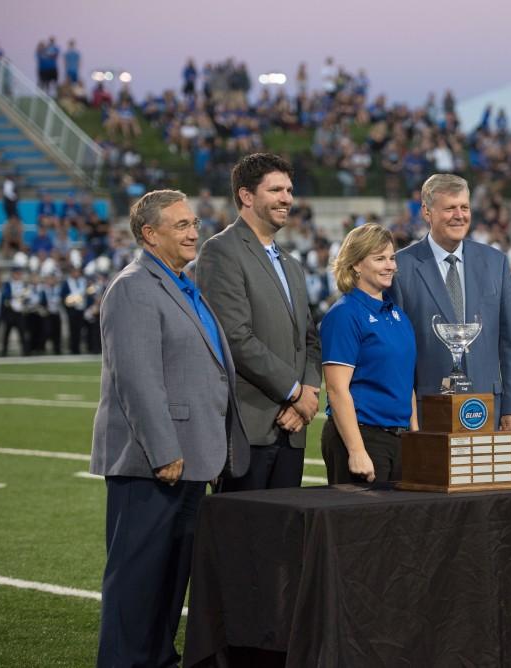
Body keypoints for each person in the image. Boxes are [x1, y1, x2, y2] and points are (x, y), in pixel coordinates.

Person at [90, 189, 249, 668]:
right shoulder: (134, 286)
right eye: (179, 225)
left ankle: (157, 659)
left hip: (192, 458)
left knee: (167, 581)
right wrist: (163, 451)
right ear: (149, 233)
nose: (192, 231)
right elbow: (137, 380)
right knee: (137, 582)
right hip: (154, 463)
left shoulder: (182, 283)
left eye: (193, 222)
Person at [197, 153, 322, 491]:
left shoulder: (292, 264)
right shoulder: (220, 251)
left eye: (289, 190)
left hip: (292, 428)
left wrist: (308, 393)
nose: (287, 199)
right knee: (241, 540)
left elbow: (310, 340)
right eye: (276, 190)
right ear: (246, 196)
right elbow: (235, 338)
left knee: (284, 540)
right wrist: (295, 392)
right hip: (248, 429)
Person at [391, 173, 511, 435]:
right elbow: (397, 352)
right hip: (427, 410)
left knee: (486, 477)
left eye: (464, 207)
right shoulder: (401, 267)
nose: (459, 215)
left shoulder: (495, 262)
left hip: (488, 407)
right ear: (427, 212)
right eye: (450, 208)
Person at [320, 224, 417, 484]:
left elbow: (407, 384)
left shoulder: (399, 315)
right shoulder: (344, 314)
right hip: (362, 437)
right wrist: (356, 450)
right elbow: (336, 389)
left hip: (400, 440)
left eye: (392, 258)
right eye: (379, 258)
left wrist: (416, 438)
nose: (390, 266)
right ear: (356, 265)